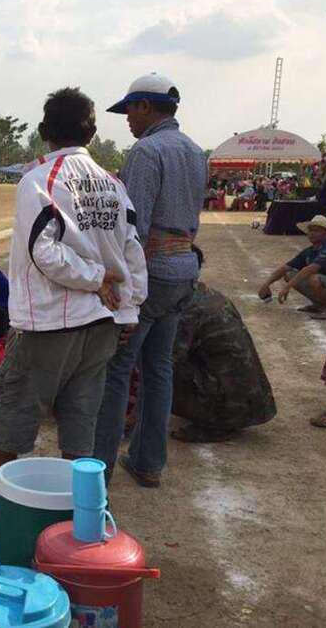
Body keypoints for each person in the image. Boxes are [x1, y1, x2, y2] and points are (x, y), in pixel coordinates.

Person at [0, 87, 148, 480]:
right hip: (103, 322)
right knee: (81, 415)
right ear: (91, 134)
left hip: (49, 322)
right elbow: (132, 249)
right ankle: (78, 502)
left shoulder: (38, 180)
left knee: (14, 408)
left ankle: (4, 491)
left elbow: (43, 252)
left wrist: (95, 278)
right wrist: (130, 310)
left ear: (44, 131)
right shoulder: (114, 185)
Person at [93, 73, 207, 488]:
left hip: (151, 274)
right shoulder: (195, 151)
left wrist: (121, 287)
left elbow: (133, 228)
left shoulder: (146, 151)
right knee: (158, 368)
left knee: (116, 370)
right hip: (182, 270)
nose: (127, 119)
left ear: (145, 106)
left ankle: (99, 472)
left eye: (129, 110)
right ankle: (148, 462)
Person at [170, 247, 276, 441]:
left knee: (153, 363)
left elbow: (168, 359)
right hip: (250, 398)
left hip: (231, 405)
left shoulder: (187, 307)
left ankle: (217, 422)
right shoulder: (209, 294)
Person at [258, 215, 326, 320]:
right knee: (289, 274)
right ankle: (318, 304)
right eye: (310, 230)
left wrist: (287, 287)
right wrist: (266, 284)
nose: (311, 233)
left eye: (316, 231)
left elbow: (310, 269)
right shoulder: (309, 251)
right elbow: (286, 267)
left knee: (314, 278)